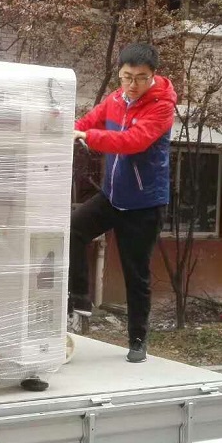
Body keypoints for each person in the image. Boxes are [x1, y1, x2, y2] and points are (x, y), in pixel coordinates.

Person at [70, 43, 176, 364]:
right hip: (112, 197)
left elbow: (133, 142)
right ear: (119, 73)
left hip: (144, 205)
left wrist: (89, 138)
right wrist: (71, 129)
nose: (133, 84)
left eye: (141, 78)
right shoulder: (115, 99)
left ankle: (138, 339)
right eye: (127, 77)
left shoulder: (161, 106)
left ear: (152, 75)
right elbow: (89, 120)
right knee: (73, 229)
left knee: (135, 274)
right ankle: (80, 297)